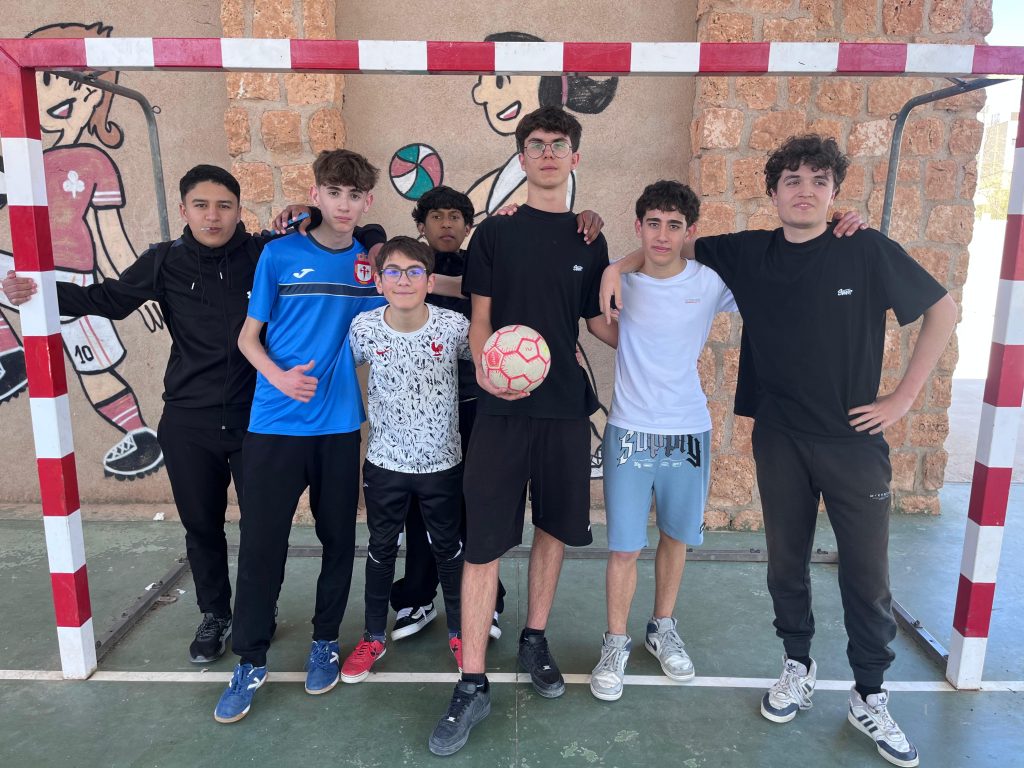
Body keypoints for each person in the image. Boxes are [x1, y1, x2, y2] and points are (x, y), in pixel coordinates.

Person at [601, 135, 956, 768]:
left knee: (866, 574)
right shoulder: (748, 253)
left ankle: (870, 694)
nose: (805, 191)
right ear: (772, 192)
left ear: (835, 192)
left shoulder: (864, 248)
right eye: (792, 179)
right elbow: (668, 243)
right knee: (785, 565)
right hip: (780, 438)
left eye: (819, 181)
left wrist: (903, 398)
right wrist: (611, 268)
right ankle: (797, 666)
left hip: (853, 442)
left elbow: (943, 311)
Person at [1, 164, 385, 664]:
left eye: (224, 206)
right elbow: (108, 299)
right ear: (183, 210)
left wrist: (352, 229)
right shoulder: (164, 261)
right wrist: (36, 289)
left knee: (260, 533)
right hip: (188, 418)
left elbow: (346, 232)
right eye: (201, 206)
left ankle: (259, 612)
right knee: (202, 527)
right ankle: (215, 614)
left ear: (239, 210)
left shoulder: (264, 252)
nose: (213, 216)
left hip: (255, 418)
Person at [428, 106, 617, 757]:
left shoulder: (590, 238)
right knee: (483, 543)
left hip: (564, 410)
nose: (547, 153)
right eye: (536, 144)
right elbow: (480, 318)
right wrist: (490, 372)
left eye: (559, 144)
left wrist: (653, 333)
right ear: (522, 155)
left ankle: (535, 638)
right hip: (503, 411)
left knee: (554, 529)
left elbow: (597, 322)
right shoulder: (495, 234)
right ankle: (471, 682)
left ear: (575, 157)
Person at [214, 149, 386, 723]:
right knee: (263, 543)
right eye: (333, 193)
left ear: (368, 201)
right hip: (274, 425)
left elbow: (406, 305)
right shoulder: (279, 253)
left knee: (339, 540)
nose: (344, 204)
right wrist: (280, 377)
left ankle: (325, 641)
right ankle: (250, 659)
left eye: (354, 195)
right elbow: (248, 339)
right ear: (316, 195)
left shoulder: (371, 265)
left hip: (339, 428)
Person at [589, 180, 736, 702]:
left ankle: (662, 627)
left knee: (676, 537)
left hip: (687, 431)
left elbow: (775, 278)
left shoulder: (710, 283)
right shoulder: (622, 284)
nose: (662, 234)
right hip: (630, 430)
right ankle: (615, 642)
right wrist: (614, 270)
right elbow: (602, 326)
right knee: (624, 547)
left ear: (689, 231)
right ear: (638, 226)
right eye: (653, 223)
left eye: (674, 225)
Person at [343, 235, 471, 682]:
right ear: (379, 282)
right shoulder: (363, 328)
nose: (403, 280)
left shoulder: (454, 327)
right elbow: (336, 372)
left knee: (448, 549)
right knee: (381, 549)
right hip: (385, 462)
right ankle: (373, 637)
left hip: (442, 462)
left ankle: (461, 633)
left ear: (430, 281)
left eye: (414, 271)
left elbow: (491, 361)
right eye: (393, 272)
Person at [387, 186, 507, 642]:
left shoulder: (485, 266)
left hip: (476, 404)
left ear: (468, 226)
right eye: (437, 216)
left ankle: (486, 602)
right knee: (422, 508)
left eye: (456, 216)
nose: (447, 224)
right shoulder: (405, 268)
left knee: (477, 506)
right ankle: (417, 597)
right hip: (421, 410)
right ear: (422, 225)